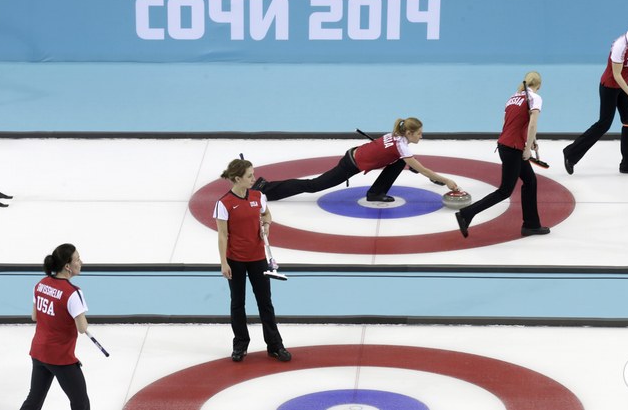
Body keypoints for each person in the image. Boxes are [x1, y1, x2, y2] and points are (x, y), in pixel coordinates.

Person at [253, 117, 459, 202]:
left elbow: (403, 159)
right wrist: (445, 180)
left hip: (355, 154)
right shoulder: (402, 146)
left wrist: (422, 171)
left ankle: (376, 193)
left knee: (399, 161)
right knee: (314, 185)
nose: (422, 136)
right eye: (419, 133)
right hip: (350, 164)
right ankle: (265, 188)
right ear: (410, 133)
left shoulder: (397, 136)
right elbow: (421, 168)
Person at [214, 158, 291, 363]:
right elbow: (222, 235)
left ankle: (275, 345)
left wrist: (266, 226)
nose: (254, 178)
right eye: (249, 176)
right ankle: (240, 345)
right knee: (237, 303)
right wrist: (223, 263)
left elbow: (267, 215)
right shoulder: (224, 204)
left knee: (265, 303)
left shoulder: (258, 196)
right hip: (235, 260)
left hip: (258, 259)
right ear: (237, 179)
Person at [455, 71, 550, 238]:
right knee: (504, 191)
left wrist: (530, 140)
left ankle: (531, 224)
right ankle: (466, 214)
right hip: (514, 148)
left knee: (530, 181)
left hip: (506, 145)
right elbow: (533, 123)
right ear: (539, 85)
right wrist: (528, 148)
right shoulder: (535, 98)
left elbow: (511, 122)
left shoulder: (513, 98)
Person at [563, 17, 628, 175]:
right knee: (604, 124)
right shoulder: (620, 46)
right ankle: (570, 153)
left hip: (624, 84)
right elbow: (616, 75)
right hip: (610, 86)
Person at [20, 244, 91, 410]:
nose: (81, 262)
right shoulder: (73, 293)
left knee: (34, 400)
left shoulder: (41, 284)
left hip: (38, 352)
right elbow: (82, 328)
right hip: (60, 356)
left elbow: (34, 316)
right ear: (67, 266)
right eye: (77, 259)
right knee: (81, 403)